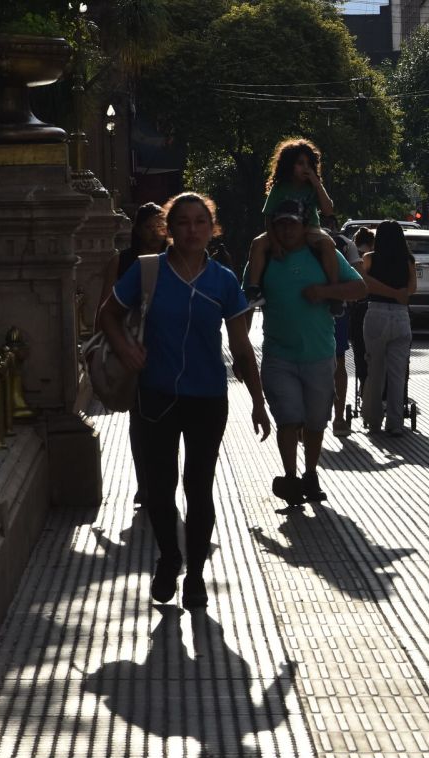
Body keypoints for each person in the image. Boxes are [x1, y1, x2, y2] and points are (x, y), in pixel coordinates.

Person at [98, 191, 270, 609]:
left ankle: (194, 574)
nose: (192, 230)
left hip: (207, 397)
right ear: (168, 230)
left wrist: (258, 400)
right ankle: (169, 557)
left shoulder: (224, 281)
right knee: (158, 489)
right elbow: (107, 314)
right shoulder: (148, 271)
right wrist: (124, 349)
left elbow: (241, 346)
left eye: (200, 222)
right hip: (154, 393)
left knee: (198, 486)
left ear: (212, 228)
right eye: (183, 223)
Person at [257, 199, 368, 506]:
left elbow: (360, 288)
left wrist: (325, 292)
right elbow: (247, 294)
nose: (287, 229)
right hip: (279, 355)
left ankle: (310, 473)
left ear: (304, 226)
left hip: (319, 354)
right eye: (281, 224)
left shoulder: (323, 253)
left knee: (316, 422)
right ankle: (290, 476)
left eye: (293, 223)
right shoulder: (266, 256)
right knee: (289, 419)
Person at [94, 202, 168, 508]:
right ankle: (144, 483)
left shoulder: (173, 261)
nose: (154, 232)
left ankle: (162, 481)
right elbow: (104, 309)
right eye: (148, 225)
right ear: (137, 229)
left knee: (166, 422)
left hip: (164, 348)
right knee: (139, 420)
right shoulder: (121, 261)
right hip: (131, 349)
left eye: (159, 225)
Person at [244, 138, 340, 313]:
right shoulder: (280, 188)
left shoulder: (313, 187)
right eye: (300, 163)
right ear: (289, 165)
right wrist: (274, 242)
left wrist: (317, 184)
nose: (305, 168)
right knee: (257, 243)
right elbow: (268, 217)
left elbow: (328, 211)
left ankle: (334, 292)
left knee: (327, 243)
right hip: (279, 231)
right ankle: (254, 289)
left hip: (309, 229)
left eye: (308, 164)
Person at [359, 220, 417, 436]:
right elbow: (411, 288)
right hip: (401, 317)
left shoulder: (370, 259)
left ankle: (373, 420)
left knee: (375, 370)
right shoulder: (408, 260)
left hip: (376, 314)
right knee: (397, 373)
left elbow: (364, 282)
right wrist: (397, 293)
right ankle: (395, 423)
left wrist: (386, 291)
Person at [322, 215, 363, 437]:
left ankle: (306, 420)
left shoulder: (300, 243)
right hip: (338, 312)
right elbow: (360, 276)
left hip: (308, 309)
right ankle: (338, 419)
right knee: (338, 363)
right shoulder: (346, 244)